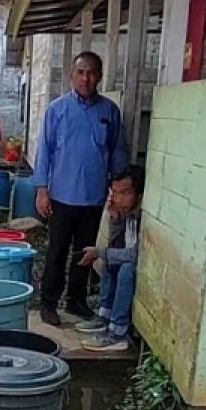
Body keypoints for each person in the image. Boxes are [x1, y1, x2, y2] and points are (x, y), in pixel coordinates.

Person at [33, 51, 129, 326]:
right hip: (61, 196)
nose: (86, 78)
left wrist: (118, 193)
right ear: (72, 75)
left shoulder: (109, 112)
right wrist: (42, 189)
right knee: (57, 251)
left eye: (92, 73)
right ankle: (48, 303)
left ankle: (76, 300)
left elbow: (117, 154)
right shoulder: (57, 110)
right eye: (81, 72)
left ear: (99, 75)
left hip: (94, 197)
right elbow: (45, 153)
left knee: (84, 253)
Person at [76, 171, 143, 352]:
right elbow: (117, 245)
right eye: (115, 193)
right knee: (110, 260)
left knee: (125, 268)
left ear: (139, 194)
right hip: (129, 259)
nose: (118, 199)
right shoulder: (127, 213)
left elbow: (135, 255)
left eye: (125, 193)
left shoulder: (142, 216)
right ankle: (104, 317)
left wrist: (100, 252)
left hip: (141, 269)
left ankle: (117, 333)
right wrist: (115, 219)